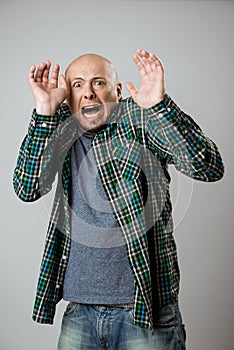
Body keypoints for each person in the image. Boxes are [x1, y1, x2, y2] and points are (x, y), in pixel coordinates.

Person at [13, 49, 224, 350]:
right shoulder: (60, 131)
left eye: (98, 83)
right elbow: (27, 188)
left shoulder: (142, 122)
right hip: (80, 311)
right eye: (77, 85)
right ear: (68, 97)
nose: (88, 93)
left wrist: (160, 107)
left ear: (118, 90)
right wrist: (44, 111)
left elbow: (209, 167)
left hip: (145, 310)